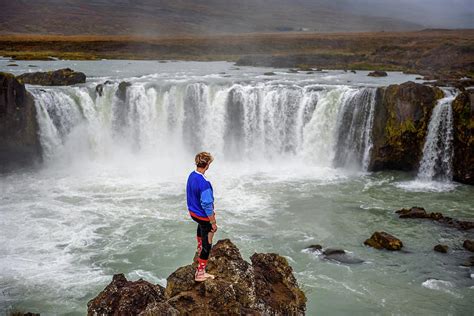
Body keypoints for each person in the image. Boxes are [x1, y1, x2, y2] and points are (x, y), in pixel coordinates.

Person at [186, 152, 218, 282]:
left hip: (193, 213)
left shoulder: (192, 175)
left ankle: (199, 247)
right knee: (208, 241)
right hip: (203, 216)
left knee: (201, 227)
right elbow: (207, 205)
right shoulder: (204, 183)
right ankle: (200, 273)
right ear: (208, 164)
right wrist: (213, 222)